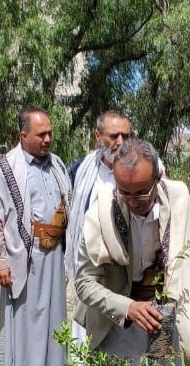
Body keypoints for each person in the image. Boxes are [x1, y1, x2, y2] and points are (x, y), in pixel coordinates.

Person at [73, 138, 190, 366]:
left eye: (142, 192)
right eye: (125, 192)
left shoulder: (177, 198)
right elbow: (84, 283)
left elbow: (186, 250)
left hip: (162, 314)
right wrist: (129, 307)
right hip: (117, 318)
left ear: (158, 177)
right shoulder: (99, 214)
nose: (134, 201)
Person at [0, 107, 71, 366]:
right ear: (23, 136)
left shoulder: (57, 164)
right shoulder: (4, 168)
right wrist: (0, 261)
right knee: (19, 321)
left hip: (54, 255)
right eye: (40, 134)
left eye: (50, 133)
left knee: (53, 319)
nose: (47, 139)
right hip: (22, 255)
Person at [65, 112, 133, 351]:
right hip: (89, 271)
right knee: (86, 342)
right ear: (98, 136)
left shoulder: (145, 168)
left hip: (127, 276)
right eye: (114, 135)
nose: (121, 141)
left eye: (127, 135)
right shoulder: (80, 171)